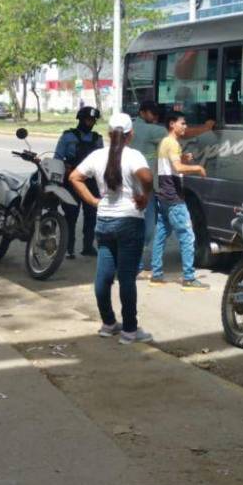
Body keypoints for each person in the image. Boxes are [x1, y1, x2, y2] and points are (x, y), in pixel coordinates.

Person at [68, 112, 154, 343]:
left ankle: (107, 323)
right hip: (129, 220)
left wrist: (94, 201)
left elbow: (75, 177)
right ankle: (129, 330)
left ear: (108, 134)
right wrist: (144, 197)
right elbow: (146, 178)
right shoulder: (133, 156)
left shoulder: (96, 156)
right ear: (130, 134)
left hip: (104, 220)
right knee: (127, 277)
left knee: (103, 276)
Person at [149, 112, 211, 290]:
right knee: (187, 236)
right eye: (182, 123)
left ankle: (157, 274)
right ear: (172, 124)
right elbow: (177, 167)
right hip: (173, 195)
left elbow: (172, 164)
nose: (185, 127)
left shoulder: (165, 142)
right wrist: (197, 167)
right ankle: (189, 278)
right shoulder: (173, 143)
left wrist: (183, 159)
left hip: (163, 192)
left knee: (161, 233)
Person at [56, 106, 103, 257]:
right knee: (71, 215)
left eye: (92, 120)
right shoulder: (68, 136)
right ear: (81, 119)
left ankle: (88, 246)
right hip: (71, 180)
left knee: (91, 215)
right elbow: (57, 158)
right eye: (88, 120)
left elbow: (101, 162)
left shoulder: (97, 139)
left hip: (91, 181)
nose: (90, 123)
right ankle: (68, 248)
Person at [131, 101, 168, 276]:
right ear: (143, 112)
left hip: (129, 184)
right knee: (147, 228)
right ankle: (135, 264)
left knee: (135, 225)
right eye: (153, 114)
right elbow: (177, 135)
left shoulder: (130, 128)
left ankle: (132, 262)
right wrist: (206, 127)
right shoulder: (155, 130)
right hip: (145, 187)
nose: (156, 117)